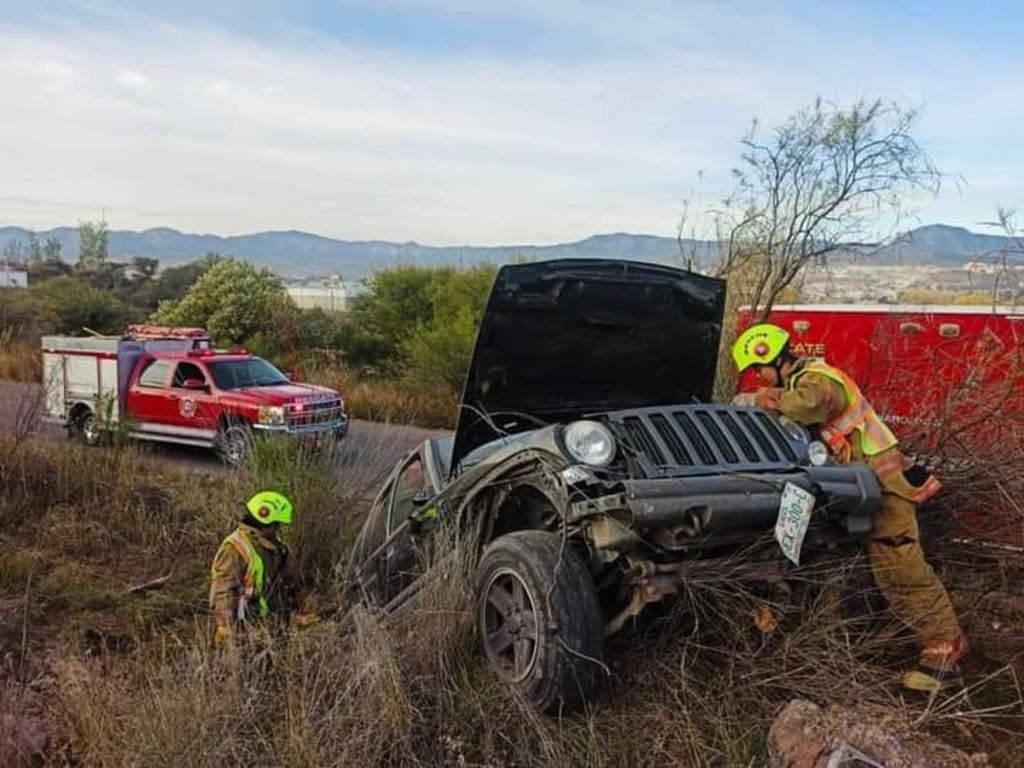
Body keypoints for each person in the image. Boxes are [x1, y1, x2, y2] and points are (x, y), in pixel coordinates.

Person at [731, 323, 968, 693]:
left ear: (774, 358)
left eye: (757, 369)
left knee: (901, 570)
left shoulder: (817, 380)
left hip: (885, 488)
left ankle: (943, 660)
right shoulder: (803, 380)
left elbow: (809, 406)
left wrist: (761, 399)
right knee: (872, 571)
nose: (758, 377)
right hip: (863, 488)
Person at [209, 490, 299, 647]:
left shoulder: (272, 547)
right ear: (265, 522)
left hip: (269, 628)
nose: (278, 529)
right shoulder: (235, 547)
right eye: (276, 524)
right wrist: (227, 629)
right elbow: (224, 591)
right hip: (245, 632)